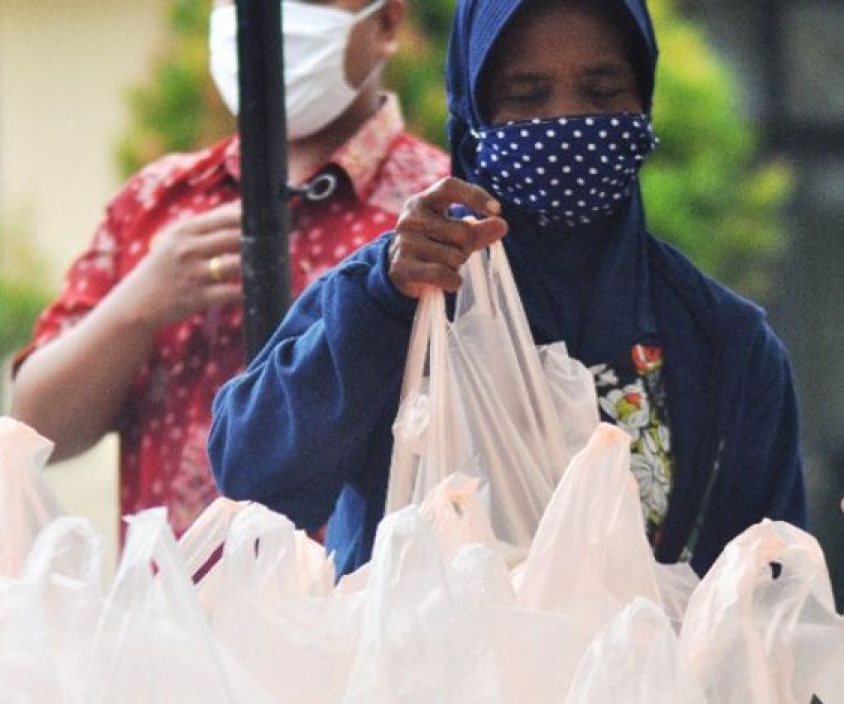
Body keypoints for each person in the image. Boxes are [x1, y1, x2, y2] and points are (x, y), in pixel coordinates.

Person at [208, 0, 807, 578]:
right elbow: (253, 478)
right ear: (474, 115)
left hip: (644, 679)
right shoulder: (401, 292)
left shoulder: (726, 346)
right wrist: (381, 304)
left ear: (643, 104)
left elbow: (764, 607)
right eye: (525, 97)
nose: (565, 121)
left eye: (601, 93)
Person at [11, 0, 451, 536]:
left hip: (360, 606)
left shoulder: (434, 215)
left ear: (385, 23)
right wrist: (136, 306)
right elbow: (33, 429)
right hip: (172, 607)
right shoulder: (159, 201)